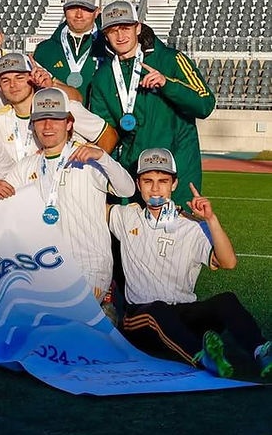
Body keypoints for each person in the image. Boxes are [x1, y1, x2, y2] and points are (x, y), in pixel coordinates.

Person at [110, 148, 272, 378]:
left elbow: (228, 262)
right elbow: (87, 210)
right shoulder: (125, 216)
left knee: (226, 301)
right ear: (138, 184)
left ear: (174, 184)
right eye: (148, 181)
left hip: (183, 314)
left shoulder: (192, 225)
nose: (155, 188)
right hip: (142, 318)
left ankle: (261, 350)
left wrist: (210, 220)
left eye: (163, 181)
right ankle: (203, 356)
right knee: (158, 310)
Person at [4, 87, 135, 321]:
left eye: (55, 119)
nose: (47, 126)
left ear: (69, 123)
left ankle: (103, 309)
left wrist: (103, 157)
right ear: (33, 125)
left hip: (90, 266)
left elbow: (128, 189)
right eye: (41, 120)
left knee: (61, 317)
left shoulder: (89, 159)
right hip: (47, 267)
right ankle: (99, 317)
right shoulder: (25, 167)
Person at [88, 0, 215, 206]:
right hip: (133, 172)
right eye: (112, 31)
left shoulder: (172, 59)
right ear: (105, 35)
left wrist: (167, 84)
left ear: (138, 28)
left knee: (177, 225)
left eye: (126, 28)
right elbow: (106, 131)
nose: (120, 36)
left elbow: (205, 104)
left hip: (176, 170)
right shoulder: (103, 77)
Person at [0, 52, 117, 198]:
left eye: (20, 78)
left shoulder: (61, 105)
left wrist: (89, 171)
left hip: (69, 195)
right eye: (5, 81)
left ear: (32, 78)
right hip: (25, 201)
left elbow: (109, 135)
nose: (13, 85)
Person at [32, 0, 104, 102]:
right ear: (64, 10)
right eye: (73, 8)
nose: (79, 15)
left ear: (97, 12)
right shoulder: (44, 50)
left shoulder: (109, 46)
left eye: (86, 9)